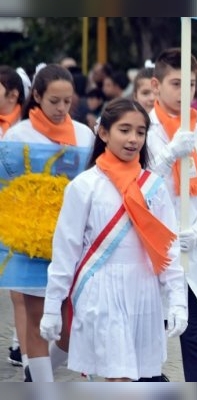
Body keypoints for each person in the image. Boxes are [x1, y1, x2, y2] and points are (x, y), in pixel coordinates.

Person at [39, 98, 187, 381]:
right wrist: (52, 308)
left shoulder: (153, 187)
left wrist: (177, 299)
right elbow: (65, 252)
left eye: (141, 132)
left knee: (131, 378)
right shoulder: (84, 186)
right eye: (125, 130)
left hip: (143, 291)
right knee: (118, 377)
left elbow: (168, 247)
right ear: (104, 133)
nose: (133, 139)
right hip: (100, 289)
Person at [3, 64, 94, 382]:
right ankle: (41, 384)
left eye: (67, 102)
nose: (61, 108)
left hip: (73, 239)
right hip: (29, 239)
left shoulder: (84, 135)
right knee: (36, 317)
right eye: (54, 101)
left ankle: (37, 375)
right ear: (37, 96)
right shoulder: (17, 135)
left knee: (71, 327)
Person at [147, 48, 197, 382]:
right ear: (156, 85)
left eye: (191, 84)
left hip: (191, 254)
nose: (184, 93)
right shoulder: (142, 131)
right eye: (175, 83)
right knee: (148, 344)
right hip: (150, 255)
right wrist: (167, 156)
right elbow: (136, 191)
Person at [0, 65, 28, 370]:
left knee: (22, 288)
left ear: (13, 94)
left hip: (22, 215)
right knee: (14, 288)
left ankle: (24, 345)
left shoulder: (26, 128)